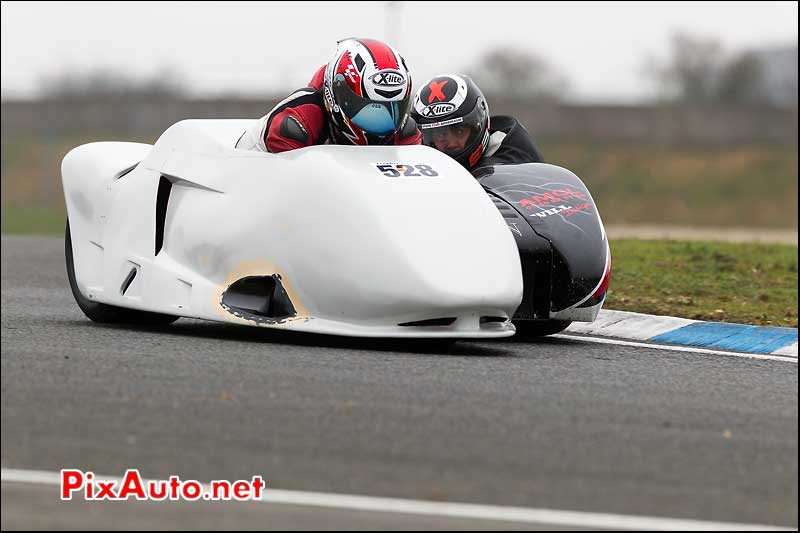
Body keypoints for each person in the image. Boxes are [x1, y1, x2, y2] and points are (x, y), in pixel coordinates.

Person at [237, 38, 422, 152]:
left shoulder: (403, 132)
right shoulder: (297, 123)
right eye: (371, 110)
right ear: (337, 96)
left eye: (393, 110)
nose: (380, 127)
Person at [409, 74, 543, 171]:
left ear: (477, 125)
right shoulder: (415, 158)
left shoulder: (515, 150)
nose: (452, 143)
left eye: (459, 131)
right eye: (440, 134)